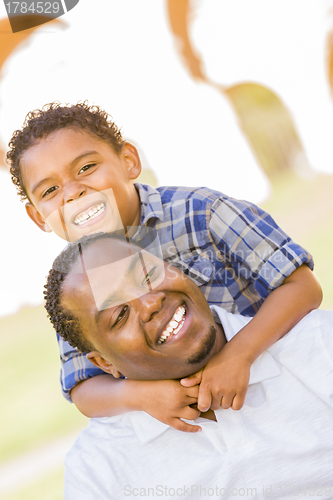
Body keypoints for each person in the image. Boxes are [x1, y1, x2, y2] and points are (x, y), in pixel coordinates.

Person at [7, 102, 322, 431]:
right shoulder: (74, 288)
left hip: (283, 380)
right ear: (38, 216)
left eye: (85, 168)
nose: (73, 193)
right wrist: (140, 396)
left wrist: (238, 355)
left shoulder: (202, 212)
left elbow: (302, 287)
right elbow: (83, 386)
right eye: (51, 190)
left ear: (128, 161)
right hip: (206, 429)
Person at [44, 233, 333, 499]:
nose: (150, 303)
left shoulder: (320, 346)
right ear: (105, 363)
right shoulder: (98, 472)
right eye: (120, 314)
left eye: (148, 275)